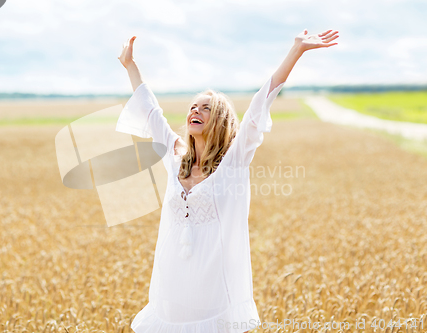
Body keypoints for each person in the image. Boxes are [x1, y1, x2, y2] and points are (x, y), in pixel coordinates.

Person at [116, 29, 339, 333]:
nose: (196, 110)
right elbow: (150, 110)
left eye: (206, 108)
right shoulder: (175, 156)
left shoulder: (232, 163)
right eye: (194, 106)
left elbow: (261, 105)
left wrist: (296, 50)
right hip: (171, 289)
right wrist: (130, 66)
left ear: (220, 120)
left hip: (213, 293)